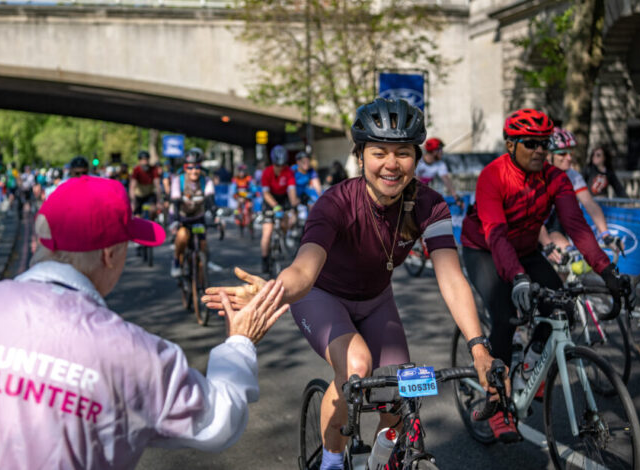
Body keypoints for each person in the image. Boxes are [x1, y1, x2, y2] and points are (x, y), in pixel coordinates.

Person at [0, 175, 289, 469]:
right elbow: (219, 421)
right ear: (109, 254)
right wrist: (240, 339)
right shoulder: (138, 355)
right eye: (127, 247)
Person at [203, 98, 500, 469]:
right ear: (360, 156)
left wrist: (477, 347)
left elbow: (451, 276)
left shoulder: (431, 205)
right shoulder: (335, 203)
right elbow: (304, 271)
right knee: (357, 366)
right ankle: (329, 461)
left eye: (403, 153)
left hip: (377, 300)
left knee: (398, 398)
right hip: (321, 297)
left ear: (416, 158)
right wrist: (271, 292)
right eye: (379, 153)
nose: (391, 164)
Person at [460, 109, 629, 437]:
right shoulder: (493, 176)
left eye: (544, 143)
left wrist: (608, 272)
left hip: (525, 249)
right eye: (531, 143)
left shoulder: (555, 177)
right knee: (505, 314)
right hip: (484, 249)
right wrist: (518, 277)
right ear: (511, 145)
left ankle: (528, 365)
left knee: (563, 304)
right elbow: (495, 233)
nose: (540, 149)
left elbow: (577, 228)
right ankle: (497, 400)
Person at [540, 127, 622, 258]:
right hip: (531, 227)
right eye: (562, 153)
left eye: (570, 153)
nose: (568, 158)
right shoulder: (538, 176)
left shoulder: (572, 175)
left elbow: (590, 204)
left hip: (552, 225)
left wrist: (605, 235)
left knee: (569, 260)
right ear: (548, 156)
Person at [169, 148, 217, 278]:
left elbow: (210, 201)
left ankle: (201, 280)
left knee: (202, 243)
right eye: (190, 168)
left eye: (196, 167)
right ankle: (176, 262)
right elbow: (176, 201)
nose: (194, 171)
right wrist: (176, 221)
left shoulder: (206, 180)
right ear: (185, 168)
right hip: (181, 215)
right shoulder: (178, 181)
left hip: (197, 215)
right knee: (182, 236)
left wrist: (215, 217)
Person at [260, 145, 299, 273]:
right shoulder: (267, 172)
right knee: (267, 233)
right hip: (270, 200)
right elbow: (265, 193)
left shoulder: (288, 172)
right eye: (277, 165)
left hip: (283, 199)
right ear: (273, 163)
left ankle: (282, 236)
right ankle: (265, 259)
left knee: (287, 221)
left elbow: (292, 190)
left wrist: (293, 206)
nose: (280, 168)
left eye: (282, 166)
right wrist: (275, 206)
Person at [415, 137, 464, 208]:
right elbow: (415, 181)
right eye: (440, 149)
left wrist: (456, 197)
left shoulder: (440, 164)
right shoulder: (419, 162)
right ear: (434, 151)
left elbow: (447, 181)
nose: (442, 152)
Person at [130, 150, 162, 220]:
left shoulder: (153, 169)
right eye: (143, 160)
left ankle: (152, 223)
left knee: (153, 209)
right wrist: (133, 201)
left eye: (146, 160)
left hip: (149, 194)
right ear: (139, 161)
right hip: (139, 195)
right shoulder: (136, 170)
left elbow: (157, 186)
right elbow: (132, 187)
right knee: (136, 216)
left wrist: (159, 201)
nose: (145, 162)